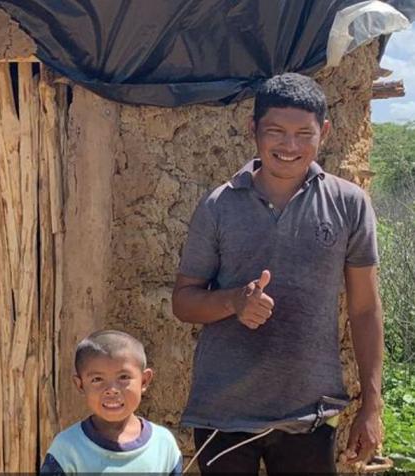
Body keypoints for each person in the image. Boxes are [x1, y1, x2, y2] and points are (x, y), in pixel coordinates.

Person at [172, 73, 383, 473]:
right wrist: (233, 301)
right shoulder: (218, 206)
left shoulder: (349, 204)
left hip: (310, 415)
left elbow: (365, 310)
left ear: (324, 131)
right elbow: (183, 301)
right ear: (253, 130)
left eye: (304, 133)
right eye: (276, 132)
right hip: (224, 416)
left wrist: (372, 404)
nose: (289, 146)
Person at [40, 330, 183, 475]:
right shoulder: (68, 448)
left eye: (123, 377)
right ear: (80, 385)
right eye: (97, 379)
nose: (112, 390)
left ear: (144, 380)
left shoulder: (163, 445)